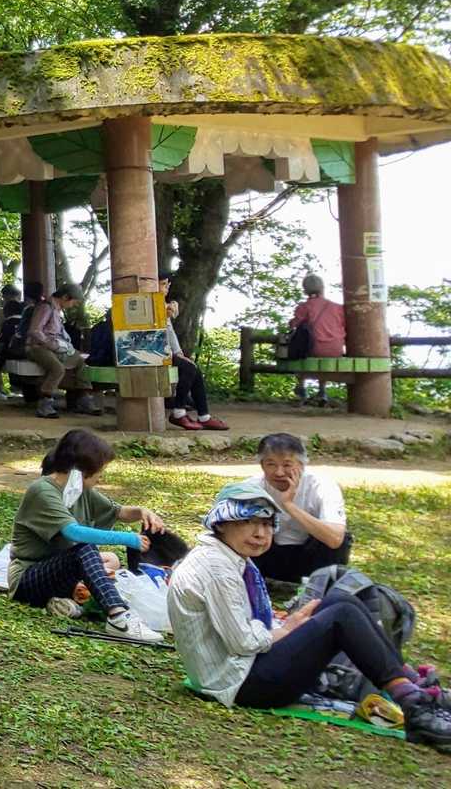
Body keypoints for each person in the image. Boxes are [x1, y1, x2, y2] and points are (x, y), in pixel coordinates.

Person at [167, 483, 451, 751]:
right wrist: (285, 630)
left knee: (340, 600)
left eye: (266, 524)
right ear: (221, 523)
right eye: (248, 522)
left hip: (242, 668)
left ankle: (415, 686)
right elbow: (242, 641)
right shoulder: (217, 568)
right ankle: (415, 707)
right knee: (341, 615)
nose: (260, 533)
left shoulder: (223, 556)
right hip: (241, 683)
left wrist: (285, 627)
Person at [6, 429, 167, 641]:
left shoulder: (78, 490)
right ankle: (118, 617)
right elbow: (74, 532)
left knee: (111, 560)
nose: (101, 477)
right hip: (27, 579)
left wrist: (142, 512)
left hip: (60, 570)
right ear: (82, 471)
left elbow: (118, 511)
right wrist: (128, 539)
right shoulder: (42, 491)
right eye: (100, 471)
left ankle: (66, 600)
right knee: (85, 549)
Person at [243, 434, 351, 583]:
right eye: (271, 464)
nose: (279, 472)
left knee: (340, 536)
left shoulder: (322, 485)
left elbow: (335, 539)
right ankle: (252, 582)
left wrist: (289, 505)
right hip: (268, 556)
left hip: (311, 558)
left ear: (301, 465)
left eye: (287, 465)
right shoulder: (250, 488)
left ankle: (321, 585)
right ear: (262, 465)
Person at [24, 283, 97, 418]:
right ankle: (45, 404)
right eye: (73, 302)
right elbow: (34, 331)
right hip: (37, 347)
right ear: (65, 297)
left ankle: (83, 398)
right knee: (57, 369)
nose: (73, 306)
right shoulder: (46, 307)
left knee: (80, 362)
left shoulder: (57, 310)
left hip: (55, 347)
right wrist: (53, 345)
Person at [160, 285, 224, 430]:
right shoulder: (151, 303)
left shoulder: (163, 305)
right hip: (153, 353)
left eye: (168, 284)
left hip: (165, 352)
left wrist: (178, 352)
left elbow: (170, 332)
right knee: (189, 368)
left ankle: (204, 416)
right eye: (163, 284)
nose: (166, 288)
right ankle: (178, 412)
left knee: (194, 368)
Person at [289, 273, 347, 404]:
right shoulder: (337, 307)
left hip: (314, 349)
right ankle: (322, 391)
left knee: (299, 348)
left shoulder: (305, 307)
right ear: (322, 288)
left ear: (305, 290)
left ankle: (301, 387)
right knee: (321, 352)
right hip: (335, 349)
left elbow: (294, 325)